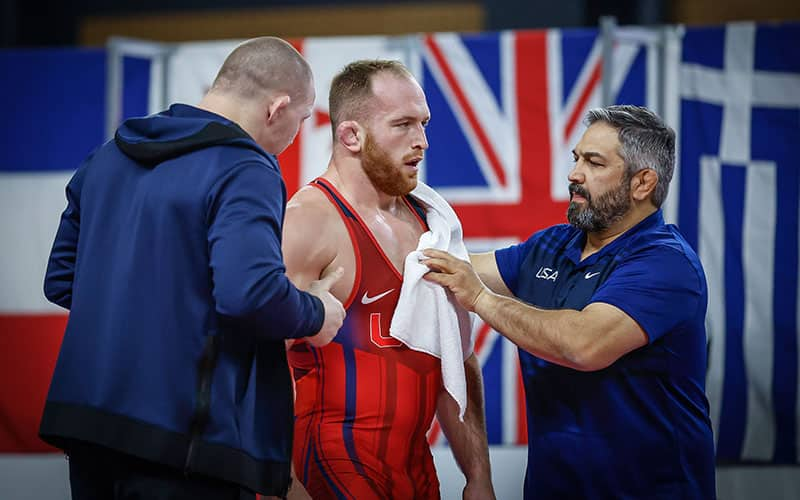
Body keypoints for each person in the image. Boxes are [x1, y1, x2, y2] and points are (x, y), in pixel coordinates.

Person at [40, 37, 345, 500]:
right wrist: (318, 313)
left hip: (88, 427)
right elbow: (251, 294)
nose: (296, 135)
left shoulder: (106, 157)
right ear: (276, 108)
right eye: (303, 120)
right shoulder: (247, 167)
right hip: (184, 442)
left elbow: (63, 280)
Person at [424, 105, 716, 499]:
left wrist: (479, 298)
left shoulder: (666, 263)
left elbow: (583, 345)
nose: (574, 174)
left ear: (643, 183)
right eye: (577, 158)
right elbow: (456, 267)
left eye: (594, 163)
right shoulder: (553, 244)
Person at [281, 60, 495, 499]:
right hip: (331, 460)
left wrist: (479, 476)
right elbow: (261, 356)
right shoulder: (309, 222)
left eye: (424, 123)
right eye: (403, 125)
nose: (422, 142)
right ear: (351, 136)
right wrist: (283, 481)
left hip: (414, 469)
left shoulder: (430, 224)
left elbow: (457, 356)